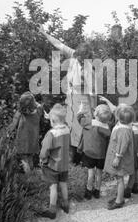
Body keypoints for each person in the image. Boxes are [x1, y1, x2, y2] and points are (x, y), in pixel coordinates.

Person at [38, 25, 97, 165]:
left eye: (82, 58)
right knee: (70, 129)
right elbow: (59, 44)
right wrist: (45, 34)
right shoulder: (74, 55)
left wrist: (94, 110)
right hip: (71, 100)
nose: (78, 59)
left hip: (83, 102)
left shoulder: (89, 70)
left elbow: (92, 93)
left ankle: (82, 161)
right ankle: (71, 161)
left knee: (81, 129)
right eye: (78, 56)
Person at [39, 104, 70, 219]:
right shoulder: (66, 129)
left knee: (53, 187)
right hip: (64, 165)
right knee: (63, 184)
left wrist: (42, 159)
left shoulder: (51, 134)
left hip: (53, 165)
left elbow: (44, 150)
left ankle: (52, 211)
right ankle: (66, 205)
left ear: (52, 120)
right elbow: (61, 122)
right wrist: (51, 117)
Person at [77, 104, 112, 199]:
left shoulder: (89, 123)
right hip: (101, 155)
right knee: (99, 173)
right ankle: (97, 191)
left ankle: (88, 191)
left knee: (90, 172)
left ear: (95, 114)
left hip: (89, 153)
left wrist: (80, 110)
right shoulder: (107, 128)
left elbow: (79, 118)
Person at [104, 104, 135, 210]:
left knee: (119, 178)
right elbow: (117, 111)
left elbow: (122, 145)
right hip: (118, 155)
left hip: (120, 158)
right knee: (118, 178)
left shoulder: (123, 130)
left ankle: (119, 200)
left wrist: (117, 157)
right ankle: (119, 196)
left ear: (118, 117)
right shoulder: (124, 124)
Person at [7, 91, 43, 172]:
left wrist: (8, 133)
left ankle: (28, 176)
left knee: (24, 159)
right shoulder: (38, 111)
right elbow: (39, 105)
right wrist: (32, 99)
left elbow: (13, 125)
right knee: (30, 158)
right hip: (33, 139)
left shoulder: (20, 112)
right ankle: (32, 176)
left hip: (23, 140)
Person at [124, 108, 138, 198]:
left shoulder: (131, 129)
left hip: (131, 153)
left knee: (131, 171)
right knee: (137, 170)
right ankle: (135, 186)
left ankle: (128, 189)